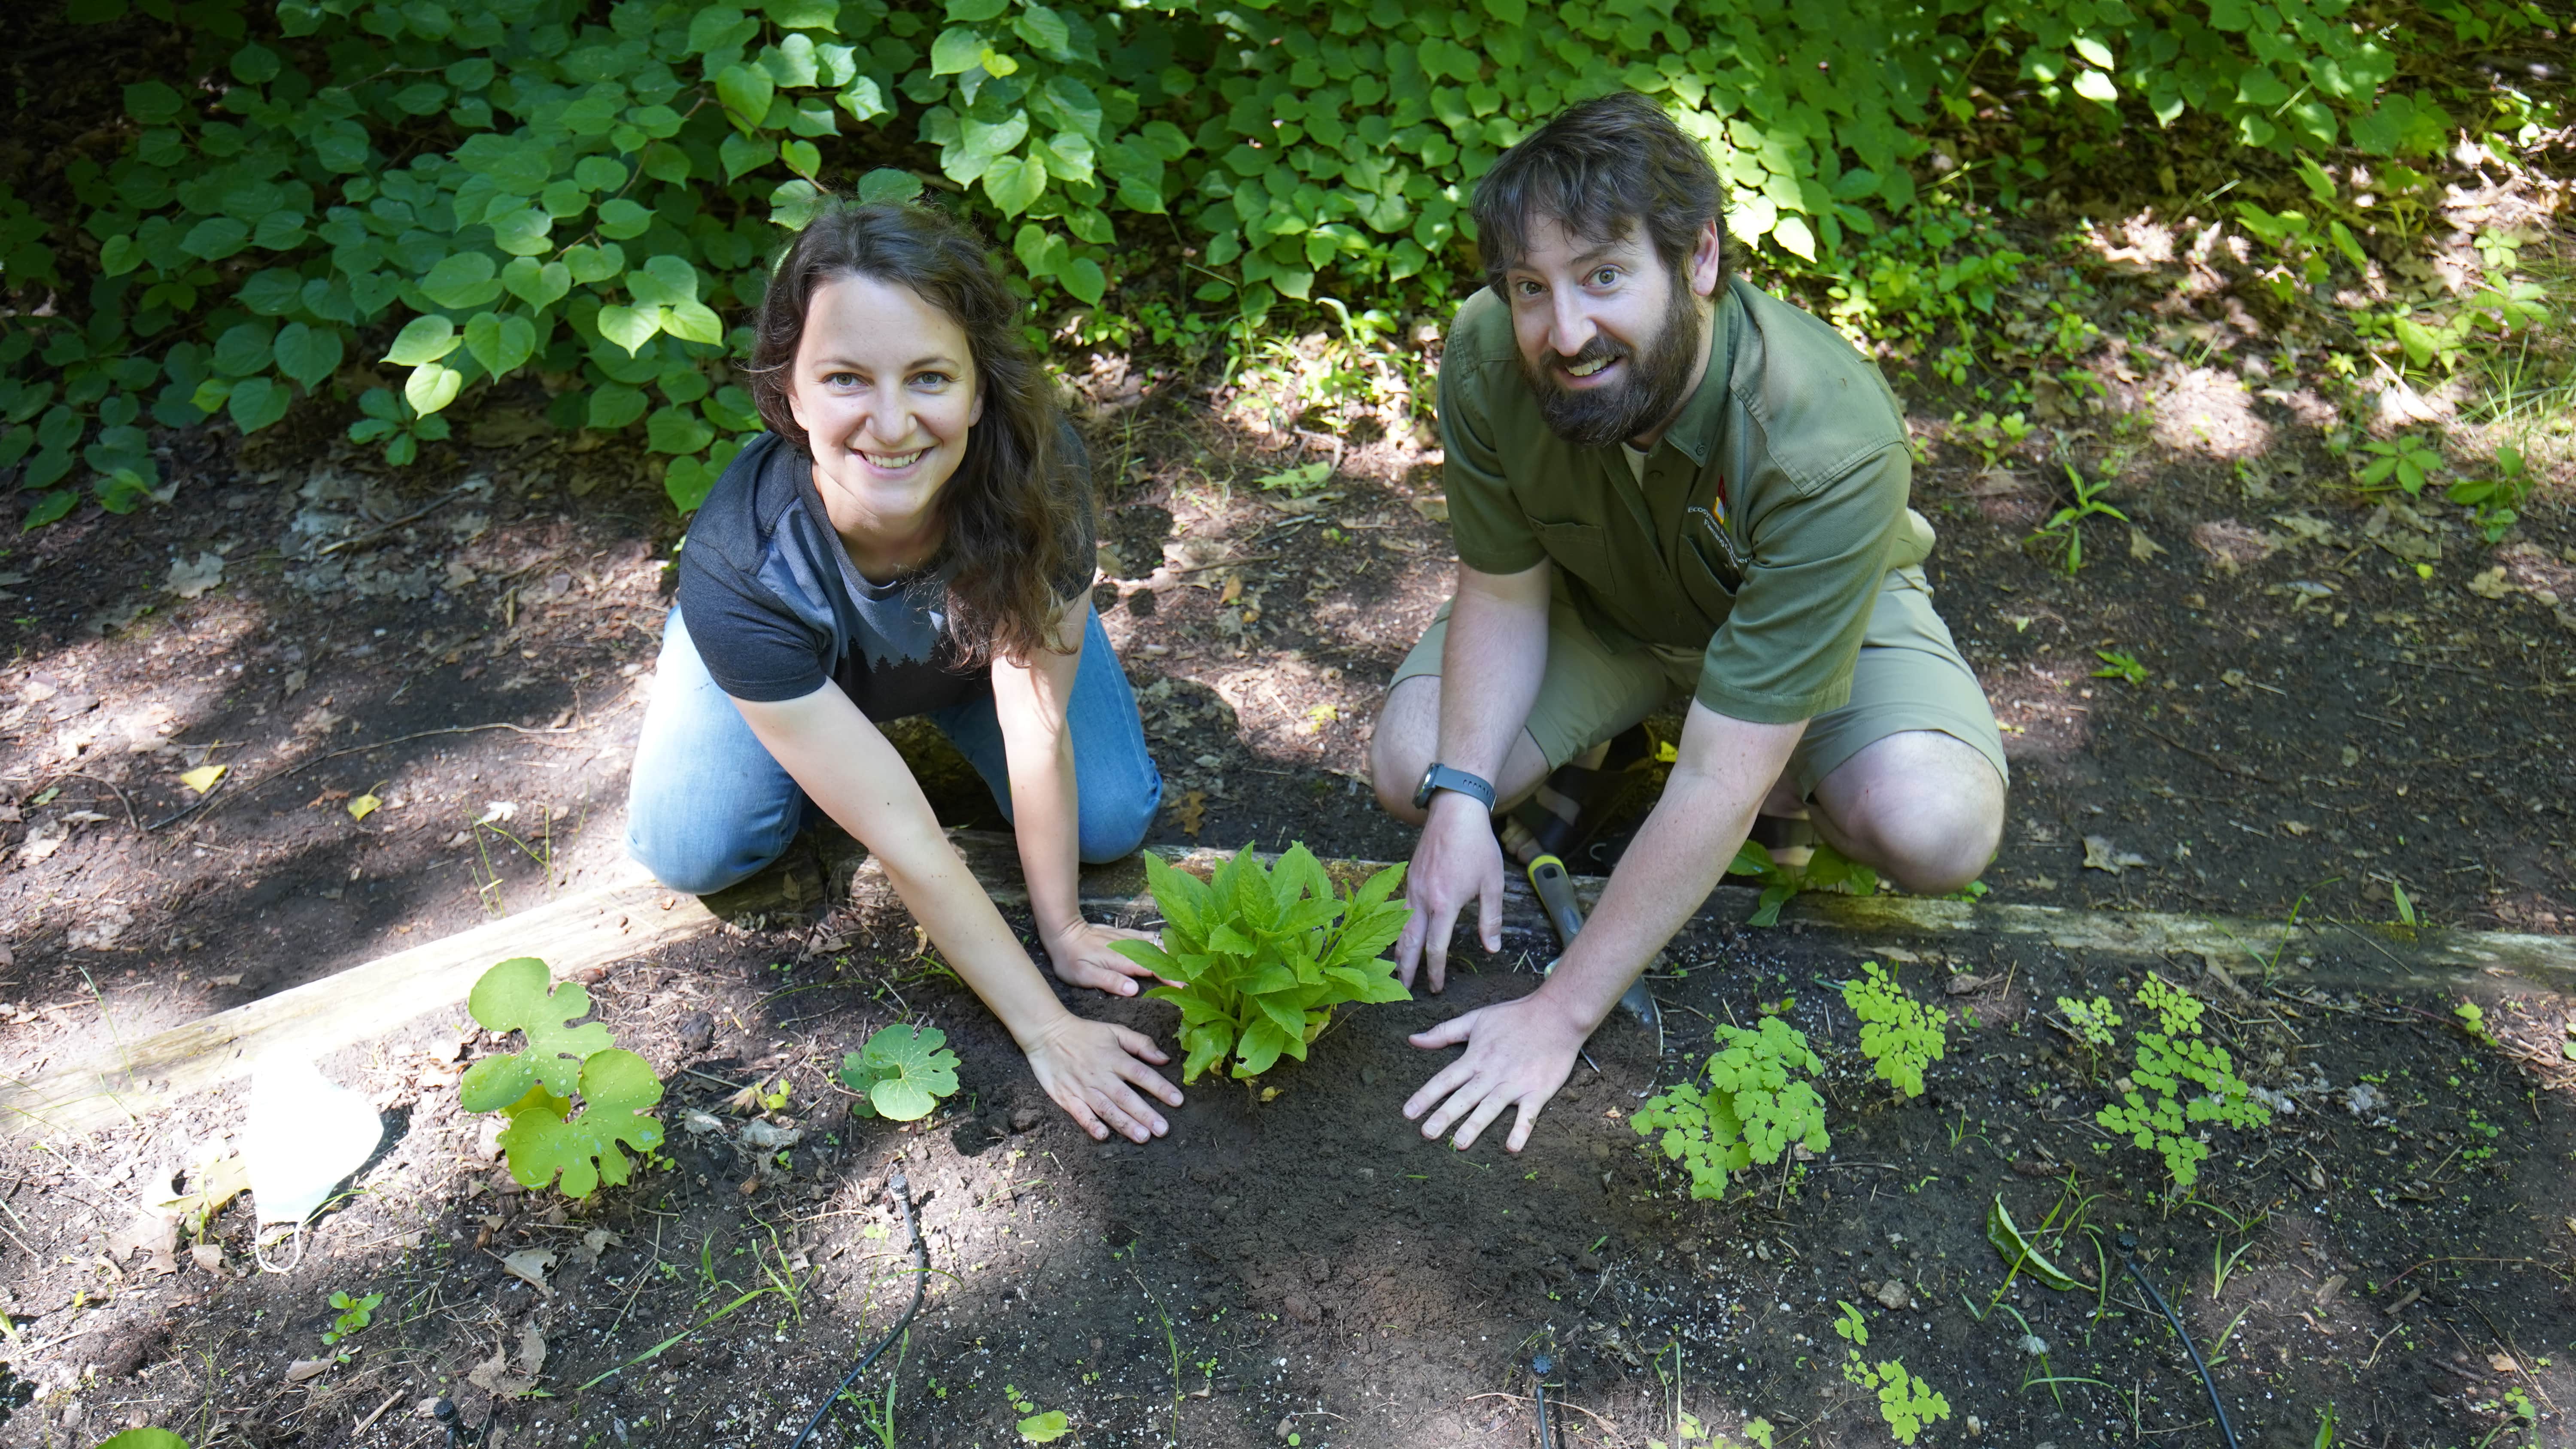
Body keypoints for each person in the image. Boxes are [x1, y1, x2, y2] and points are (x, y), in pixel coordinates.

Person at [1368, 92, 2009, 1154]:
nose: (1564, 332)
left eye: (1604, 276)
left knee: (1934, 828)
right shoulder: (1489, 357)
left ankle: (1796, 775)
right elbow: (1502, 587)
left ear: (1700, 259)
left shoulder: (1829, 442)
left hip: (1800, 636)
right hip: (1603, 607)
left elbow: (1718, 770)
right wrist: (1462, 796)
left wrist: (1558, 1012)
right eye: (1533, 288)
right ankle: (1615, 747)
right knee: (1411, 767)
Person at [625, 202, 1183, 1145]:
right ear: (791, 392)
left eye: (929, 376)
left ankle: (866, 731)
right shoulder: (739, 563)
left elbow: (1036, 721)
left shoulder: (1041, 482)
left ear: (975, 390)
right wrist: (1046, 1026)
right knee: (695, 849)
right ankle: (800, 728)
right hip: (790, 656)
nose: (891, 423)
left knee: (1109, 821)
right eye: (846, 378)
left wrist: (1065, 930)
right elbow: (911, 841)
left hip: (974, 663)